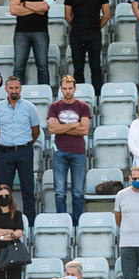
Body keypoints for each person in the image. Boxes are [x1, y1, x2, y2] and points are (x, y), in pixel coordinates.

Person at [0, 77, 41, 216]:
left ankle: (30, 222)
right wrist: (6, 142)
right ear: (6, 89)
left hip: (24, 151)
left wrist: (26, 143)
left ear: (21, 88)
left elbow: (35, 130)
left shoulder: (30, 107)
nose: (14, 91)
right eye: (11, 88)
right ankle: (4, 220)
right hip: (5, 152)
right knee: (3, 191)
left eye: (16, 88)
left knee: (28, 189)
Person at [49, 75, 91, 224]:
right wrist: (74, 125)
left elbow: (85, 130)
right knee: (60, 191)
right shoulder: (54, 106)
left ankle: (77, 223)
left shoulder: (83, 106)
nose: (67, 91)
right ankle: (62, 222)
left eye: (70, 88)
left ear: (75, 89)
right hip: (60, 152)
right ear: (61, 89)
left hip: (78, 152)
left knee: (78, 192)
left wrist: (62, 128)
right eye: (64, 88)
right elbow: (52, 128)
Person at [64, 0, 111, 90]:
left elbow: (107, 15)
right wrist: (77, 27)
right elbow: (67, 16)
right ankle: (80, 94)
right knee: (78, 68)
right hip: (77, 35)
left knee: (96, 67)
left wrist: (95, 27)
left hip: (94, 34)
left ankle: (97, 96)